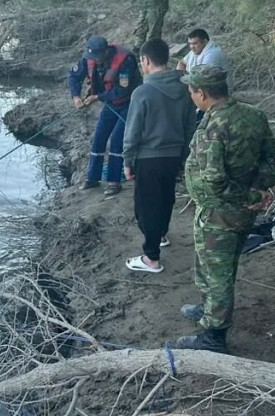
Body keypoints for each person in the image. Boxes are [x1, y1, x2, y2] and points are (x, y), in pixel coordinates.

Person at [171, 65, 275, 353]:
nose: (191, 95)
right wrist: (260, 189)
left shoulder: (214, 127)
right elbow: (272, 157)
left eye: (191, 91)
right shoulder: (253, 114)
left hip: (220, 213)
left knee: (218, 273)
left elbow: (215, 181)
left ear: (202, 93)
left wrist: (248, 195)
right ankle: (208, 307)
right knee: (212, 265)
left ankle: (213, 337)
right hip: (242, 211)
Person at [123, 38, 196, 273]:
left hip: (148, 157)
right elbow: (190, 126)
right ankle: (161, 235)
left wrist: (127, 160)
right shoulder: (185, 88)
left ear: (145, 60)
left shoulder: (142, 92)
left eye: (141, 62)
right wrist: (184, 154)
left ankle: (151, 258)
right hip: (174, 155)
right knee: (165, 198)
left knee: (145, 207)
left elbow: (132, 132)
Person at [69, 36, 143, 196]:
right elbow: (74, 77)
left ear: (106, 51)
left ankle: (114, 182)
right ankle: (92, 178)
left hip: (129, 103)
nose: (94, 60)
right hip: (110, 104)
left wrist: (98, 97)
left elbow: (124, 89)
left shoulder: (125, 60)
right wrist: (76, 96)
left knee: (116, 140)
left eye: (97, 57)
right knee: (99, 138)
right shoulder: (87, 59)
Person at [177, 29, 232, 122]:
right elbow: (181, 63)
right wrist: (179, 76)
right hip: (201, 90)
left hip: (214, 94)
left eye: (195, 43)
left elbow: (202, 81)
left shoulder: (212, 54)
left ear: (205, 42)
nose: (192, 47)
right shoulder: (196, 51)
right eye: (190, 44)